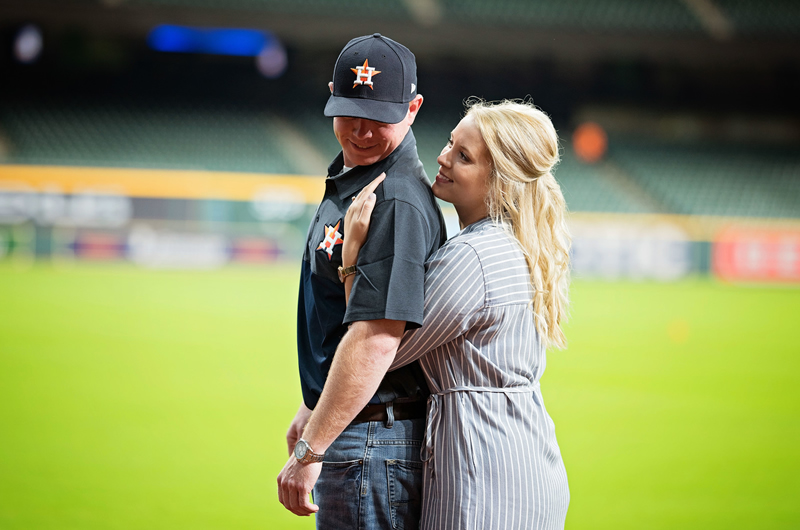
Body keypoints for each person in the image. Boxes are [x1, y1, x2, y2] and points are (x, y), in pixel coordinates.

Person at [342, 99, 572, 529]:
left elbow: (381, 352)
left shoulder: (474, 256)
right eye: (451, 143)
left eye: (463, 157)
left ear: (499, 180)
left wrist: (352, 261)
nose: (443, 158)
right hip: (518, 463)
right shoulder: (507, 243)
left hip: (484, 473)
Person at [276, 33, 447, 529]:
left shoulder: (392, 199)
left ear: (413, 108)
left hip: (374, 440)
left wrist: (311, 451)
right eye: (350, 110)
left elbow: (375, 338)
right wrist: (315, 406)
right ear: (331, 94)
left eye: (381, 117)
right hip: (360, 432)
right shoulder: (360, 177)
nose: (362, 130)